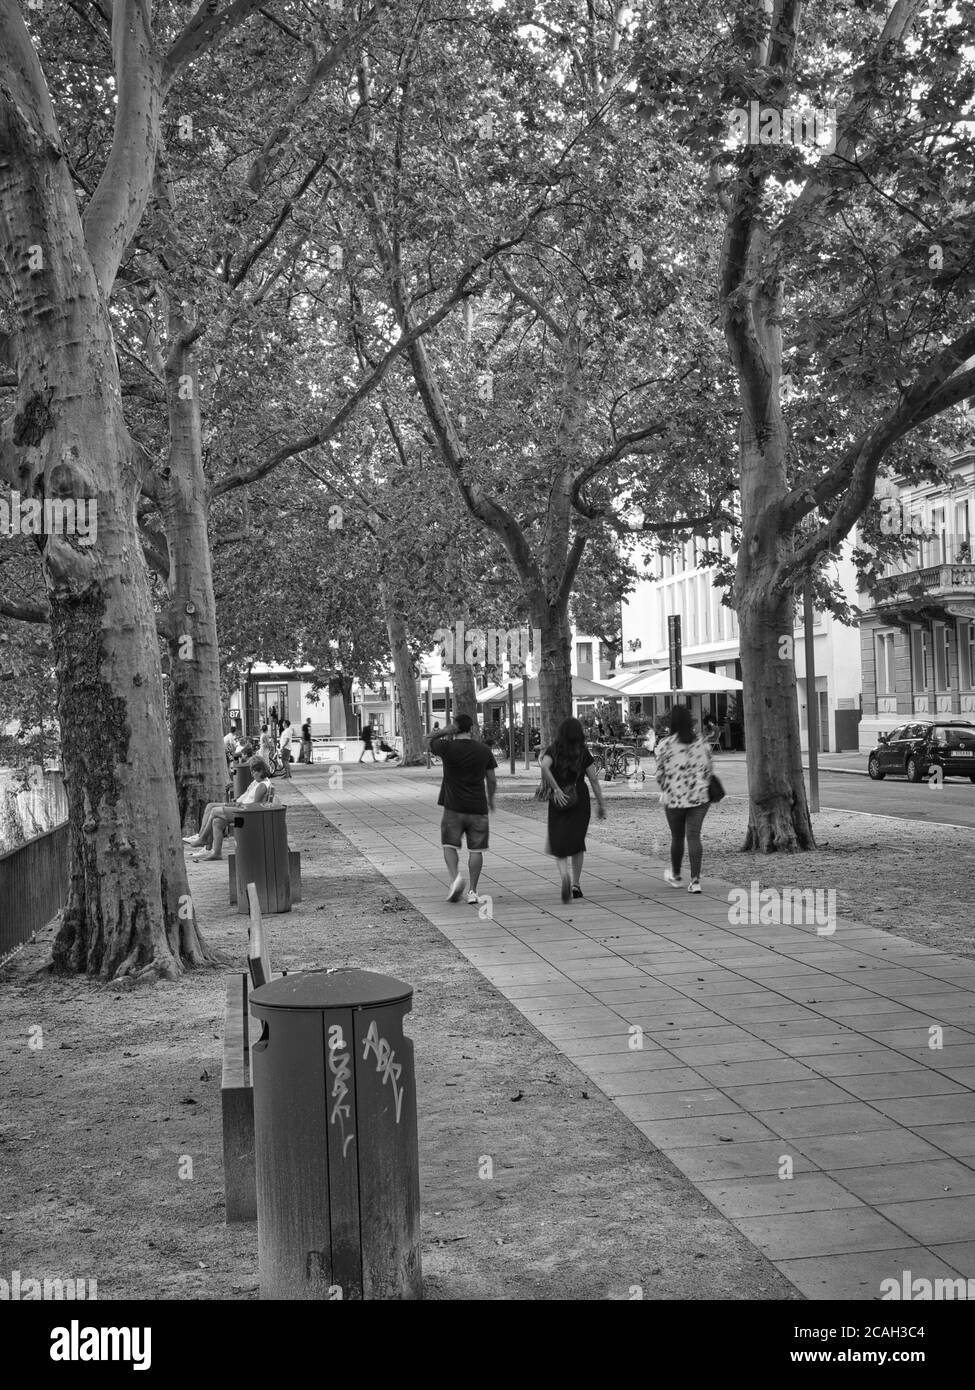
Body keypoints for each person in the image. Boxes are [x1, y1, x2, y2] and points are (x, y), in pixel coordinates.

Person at [425, 714, 497, 905]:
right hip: (478, 807)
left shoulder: (447, 748)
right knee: (477, 849)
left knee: (449, 845)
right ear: (472, 729)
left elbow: (428, 739)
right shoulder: (484, 750)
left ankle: (455, 878)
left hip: (453, 807)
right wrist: (491, 800)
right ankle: (473, 891)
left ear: (455, 729)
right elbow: (491, 779)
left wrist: (444, 731)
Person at [539, 716, 606, 902]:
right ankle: (576, 885)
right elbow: (593, 779)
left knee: (558, 839)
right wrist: (601, 803)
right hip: (580, 799)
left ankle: (564, 876)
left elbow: (544, 767)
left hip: (559, 800)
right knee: (577, 842)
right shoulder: (583, 752)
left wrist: (556, 788)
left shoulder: (554, 749)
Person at [655, 704, 713, 893]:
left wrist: (667, 786)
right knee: (694, 836)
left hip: (674, 798)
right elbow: (708, 770)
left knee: (677, 836)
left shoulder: (665, 745)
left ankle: (676, 875)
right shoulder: (702, 743)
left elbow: (659, 775)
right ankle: (695, 880)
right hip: (699, 797)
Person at [183, 756, 271, 861]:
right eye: (251, 772)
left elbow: (255, 807)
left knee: (214, 811)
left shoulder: (262, 786)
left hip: (245, 814)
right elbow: (247, 796)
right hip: (240, 807)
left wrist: (238, 805)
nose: (252, 774)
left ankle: (202, 838)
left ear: (261, 771)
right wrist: (236, 802)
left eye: (254, 772)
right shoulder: (258, 782)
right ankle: (216, 852)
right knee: (216, 820)